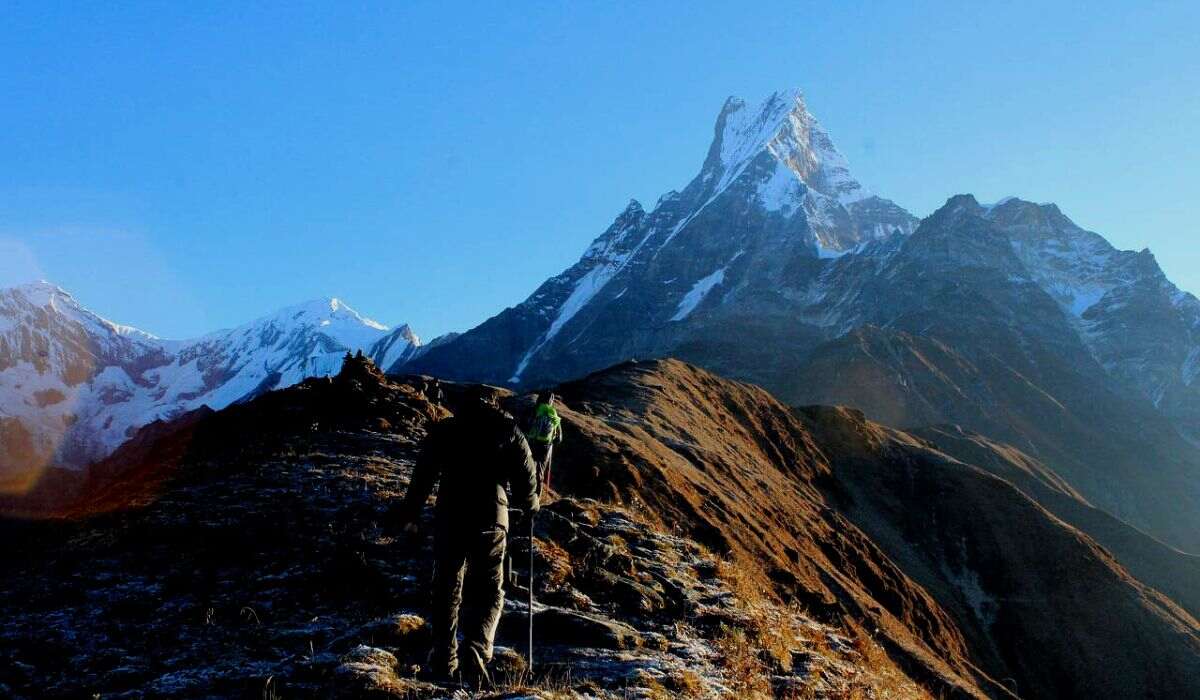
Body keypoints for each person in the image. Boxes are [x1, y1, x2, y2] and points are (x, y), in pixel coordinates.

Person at [394, 385, 539, 687]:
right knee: (488, 590)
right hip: (491, 518)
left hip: (450, 516)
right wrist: (530, 506)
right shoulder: (509, 430)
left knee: (446, 586)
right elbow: (527, 480)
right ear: (494, 404)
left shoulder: (445, 430)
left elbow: (422, 476)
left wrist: (411, 515)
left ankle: (444, 656)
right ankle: (477, 652)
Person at [525, 391, 563, 495]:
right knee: (540, 471)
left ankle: (526, 492)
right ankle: (538, 495)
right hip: (546, 446)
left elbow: (526, 425)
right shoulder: (553, 413)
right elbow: (559, 438)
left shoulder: (535, 410)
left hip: (532, 443)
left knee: (527, 467)